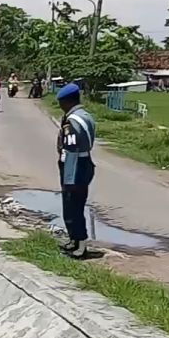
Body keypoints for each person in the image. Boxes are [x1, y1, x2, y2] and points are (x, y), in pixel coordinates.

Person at [56, 83, 97, 258]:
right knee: (72, 203)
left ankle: (80, 245)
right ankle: (73, 239)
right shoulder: (86, 115)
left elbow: (72, 150)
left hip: (75, 165)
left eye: (61, 102)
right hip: (84, 162)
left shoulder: (73, 121)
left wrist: (68, 177)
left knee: (73, 204)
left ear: (67, 101)